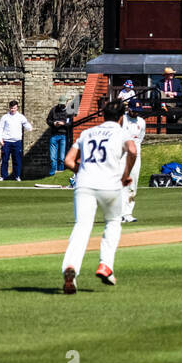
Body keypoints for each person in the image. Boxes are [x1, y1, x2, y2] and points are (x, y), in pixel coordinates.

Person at [60, 99, 137, 293]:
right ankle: (105, 265)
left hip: (84, 184)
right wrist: (126, 174)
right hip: (110, 184)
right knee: (112, 222)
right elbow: (133, 150)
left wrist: (83, 170)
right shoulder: (121, 133)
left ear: (103, 115)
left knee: (82, 226)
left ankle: (70, 267)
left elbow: (68, 160)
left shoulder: (87, 133)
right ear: (121, 118)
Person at [120, 99, 148, 223]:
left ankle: (128, 213)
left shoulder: (141, 122)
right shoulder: (122, 120)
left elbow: (140, 138)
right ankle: (119, 213)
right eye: (134, 111)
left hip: (135, 156)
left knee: (133, 184)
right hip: (122, 155)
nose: (136, 113)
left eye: (138, 111)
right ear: (129, 109)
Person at [0, 99, 32, 182]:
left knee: (17, 160)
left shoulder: (20, 117)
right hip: (6, 141)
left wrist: (29, 128)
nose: (13, 110)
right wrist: (0, 139)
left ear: (17, 108)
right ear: (9, 108)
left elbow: (26, 123)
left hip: (17, 142)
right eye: (12, 108)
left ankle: (17, 176)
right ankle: (3, 176)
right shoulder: (5, 117)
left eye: (14, 108)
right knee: (4, 159)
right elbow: (0, 128)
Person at [46, 95, 74, 177]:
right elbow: (48, 120)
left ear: (66, 103)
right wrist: (53, 123)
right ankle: (52, 174)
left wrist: (63, 124)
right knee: (52, 158)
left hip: (63, 136)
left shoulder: (69, 112)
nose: (61, 105)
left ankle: (60, 174)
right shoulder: (54, 110)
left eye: (63, 103)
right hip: (54, 135)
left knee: (61, 158)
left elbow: (71, 124)